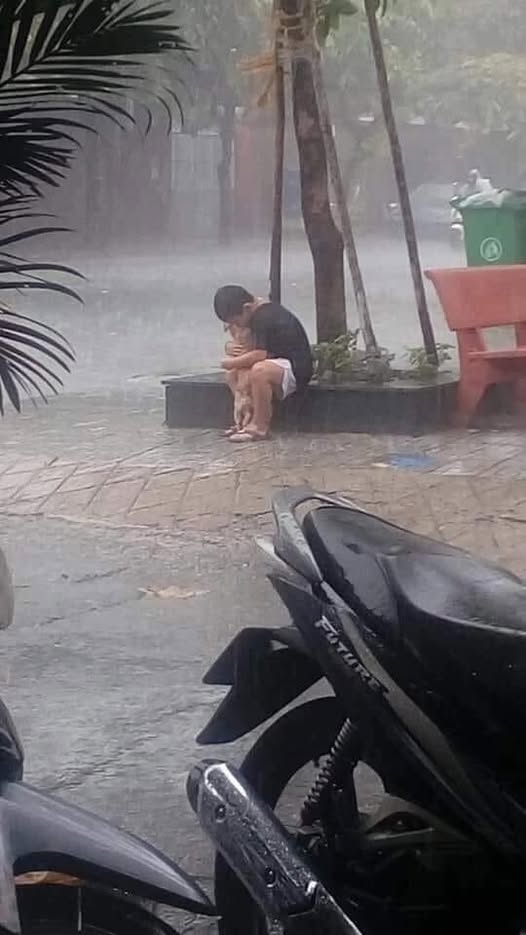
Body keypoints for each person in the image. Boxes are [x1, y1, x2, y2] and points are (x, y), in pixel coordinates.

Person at [214, 284, 313, 443]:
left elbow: (260, 355)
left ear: (246, 308)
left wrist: (230, 362)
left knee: (259, 371)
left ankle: (259, 426)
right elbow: (250, 350)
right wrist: (232, 355)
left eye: (236, 321)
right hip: (275, 361)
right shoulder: (253, 316)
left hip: (294, 367)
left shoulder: (264, 317)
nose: (237, 326)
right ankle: (244, 420)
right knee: (233, 375)